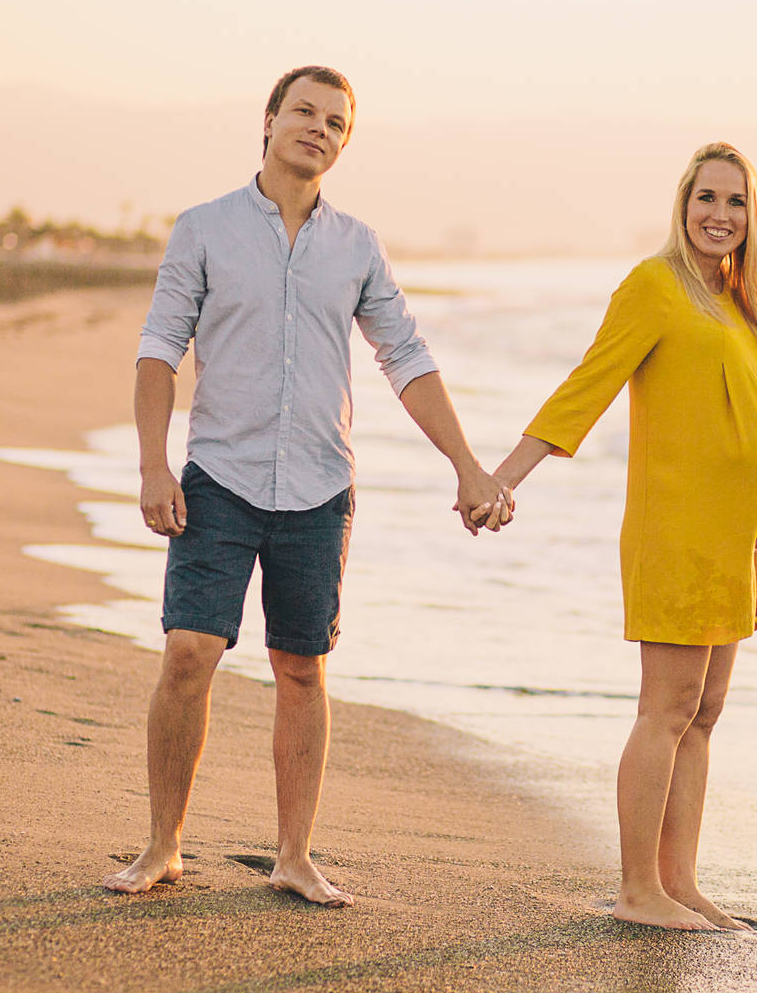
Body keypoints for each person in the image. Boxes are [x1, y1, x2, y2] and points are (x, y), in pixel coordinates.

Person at [103, 65, 511, 902]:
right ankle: (162, 848)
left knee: (301, 668)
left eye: (335, 122)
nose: (318, 129)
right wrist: (153, 464)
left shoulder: (357, 245)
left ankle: (294, 857)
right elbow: (158, 349)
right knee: (190, 653)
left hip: (320, 489)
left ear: (343, 142)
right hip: (218, 477)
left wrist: (468, 466)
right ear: (269, 121)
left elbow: (407, 357)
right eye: (304, 112)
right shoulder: (205, 228)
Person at [491, 142, 757, 930]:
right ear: (683, 202)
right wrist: (501, 479)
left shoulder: (738, 304)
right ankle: (638, 891)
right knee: (665, 710)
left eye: (735, 203)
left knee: (704, 714)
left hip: (734, 542)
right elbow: (586, 387)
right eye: (707, 198)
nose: (719, 215)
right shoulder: (653, 286)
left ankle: (680, 882)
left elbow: (745, 420)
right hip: (676, 533)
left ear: (751, 217)